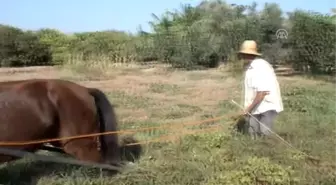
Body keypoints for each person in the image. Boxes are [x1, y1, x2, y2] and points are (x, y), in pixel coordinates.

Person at [238, 40, 284, 139]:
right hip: (256, 107)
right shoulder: (251, 67)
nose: (242, 57)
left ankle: (269, 152)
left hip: (266, 106)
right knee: (253, 133)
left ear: (248, 54)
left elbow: (261, 93)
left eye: (243, 54)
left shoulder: (259, 67)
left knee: (264, 133)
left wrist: (247, 109)